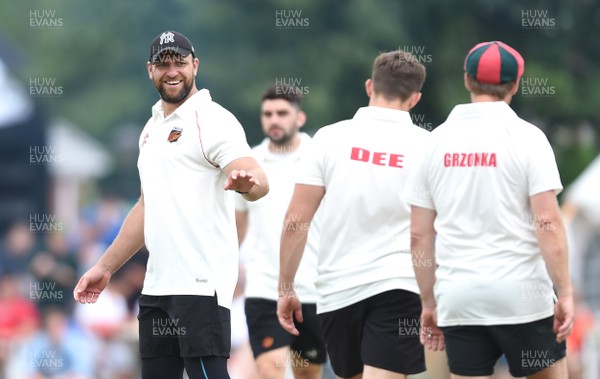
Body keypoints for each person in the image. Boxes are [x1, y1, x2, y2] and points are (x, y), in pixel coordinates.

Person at [73, 30, 269, 379]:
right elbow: (147, 206)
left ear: (195, 65)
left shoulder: (212, 120)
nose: (172, 70)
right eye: (163, 64)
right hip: (157, 287)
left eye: (180, 62)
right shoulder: (150, 130)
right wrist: (105, 267)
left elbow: (257, 179)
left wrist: (248, 186)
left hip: (200, 286)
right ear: (150, 70)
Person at [403, 41, 574, 379]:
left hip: (460, 298)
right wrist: (565, 292)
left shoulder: (434, 142)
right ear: (515, 85)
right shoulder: (529, 138)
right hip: (522, 297)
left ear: (467, 80)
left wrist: (428, 302)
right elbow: (548, 222)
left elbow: (419, 234)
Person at [277, 50, 428, 379]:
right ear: (415, 98)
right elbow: (434, 230)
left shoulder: (329, 138)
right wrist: (433, 297)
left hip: (337, 290)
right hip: (401, 285)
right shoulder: (428, 147)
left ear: (370, 86)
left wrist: (286, 287)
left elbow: (295, 221)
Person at [236, 85, 326, 379]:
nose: (274, 119)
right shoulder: (249, 163)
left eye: (282, 113)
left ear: (300, 118)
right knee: (270, 369)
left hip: (315, 288)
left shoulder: (321, 158)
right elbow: (236, 227)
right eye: (268, 113)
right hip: (264, 287)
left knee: (308, 374)